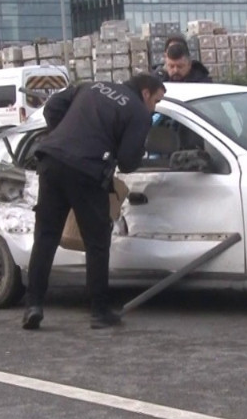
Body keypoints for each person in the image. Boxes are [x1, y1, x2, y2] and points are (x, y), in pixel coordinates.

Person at [21, 74, 166, 330]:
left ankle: (33, 306)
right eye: (156, 100)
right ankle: (99, 311)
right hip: (86, 171)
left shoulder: (91, 86)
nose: (154, 108)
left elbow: (52, 106)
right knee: (97, 242)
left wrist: (65, 134)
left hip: (51, 160)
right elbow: (128, 162)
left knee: (45, 237)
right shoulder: (138, 112)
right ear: (145, 93)